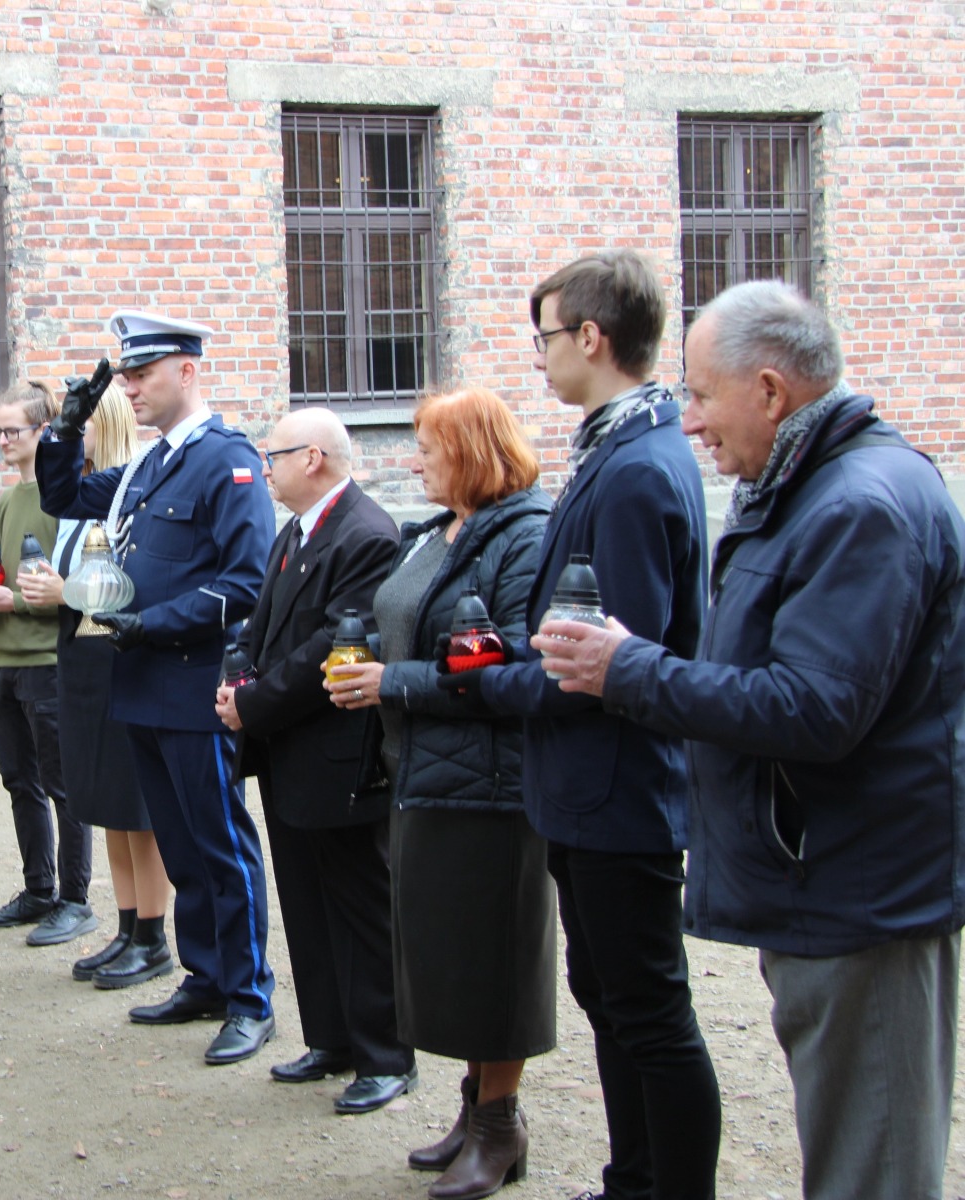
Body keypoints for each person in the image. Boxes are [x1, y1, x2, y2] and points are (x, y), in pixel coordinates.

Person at [538, 281, 965, 1200]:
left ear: (770, 392)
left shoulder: (861, 506)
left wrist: (630, 669)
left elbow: (814, 710)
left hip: (862, 891)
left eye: (699, 394)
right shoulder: (815, 489)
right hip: (831, 879)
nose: (688, 423)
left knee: (872, 1163)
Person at [447, 251, 721, 1200]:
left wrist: (488, 686)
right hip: (587, 786)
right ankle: (632, 1178)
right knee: (612, 1003)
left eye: (548, 337)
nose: (541, 357)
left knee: (648, 1012)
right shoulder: (617, 447)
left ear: (592, 338)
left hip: (617, 789)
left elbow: (610, 664)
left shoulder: (640, 466)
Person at [326, 388, 556, 1200]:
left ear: (470, 449)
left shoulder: (524, 536)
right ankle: (474, 1110)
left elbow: (516, 667)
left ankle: (501, 1126)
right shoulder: (436, 533)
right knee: (451, 966)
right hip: (422, 772)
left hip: (491, 788)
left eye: (427, 445)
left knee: (496, 965)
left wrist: (396, 680)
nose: (414, 459)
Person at [36, 310, 277, 1066]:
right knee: (179, 845)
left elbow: (246, 582)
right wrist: (64, 427)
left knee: (221, 846)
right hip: (139, 683)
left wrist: (152, 623)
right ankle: (204, 975)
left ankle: (249, 997)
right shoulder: (148, 464)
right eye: (126, 377)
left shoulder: (225, 460)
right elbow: (64, 495)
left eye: (143, 375)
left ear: (188, 372)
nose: (130, 388)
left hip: (194, 687)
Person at [211, 407, 416, 1114]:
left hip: (339, 752)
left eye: (275, 455)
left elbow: (336, 642)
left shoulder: (366, 534)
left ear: (316, 459)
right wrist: (239, 686)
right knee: (305, 900)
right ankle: (332, 1037)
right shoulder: (296, 531)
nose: (263, 467)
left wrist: (257, 700)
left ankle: (385, 1053)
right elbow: (269, 630)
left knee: (360, 905)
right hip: (289, 748)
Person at [17, 394, 176, 988]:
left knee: (137, 809)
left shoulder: (129, 495)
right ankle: (127, 926)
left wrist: (65, 592)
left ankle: (153, 935)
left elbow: (128, 586)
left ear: (99, 427)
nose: (62, 436)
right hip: (80, 660)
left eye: (74, 425)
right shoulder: (85, 494)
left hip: (116, 653)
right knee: (106, 804)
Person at [0, 381, 96, 947]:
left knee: (63, 785)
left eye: (12, 430)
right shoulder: (8, 500)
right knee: (20, 781)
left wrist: (14, 601)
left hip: (47, 662)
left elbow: (74, 588)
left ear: (42, 432)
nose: (3, 440)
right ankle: (37, 890)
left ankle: (75, 899)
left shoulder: (63, 498)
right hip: (3, 659)